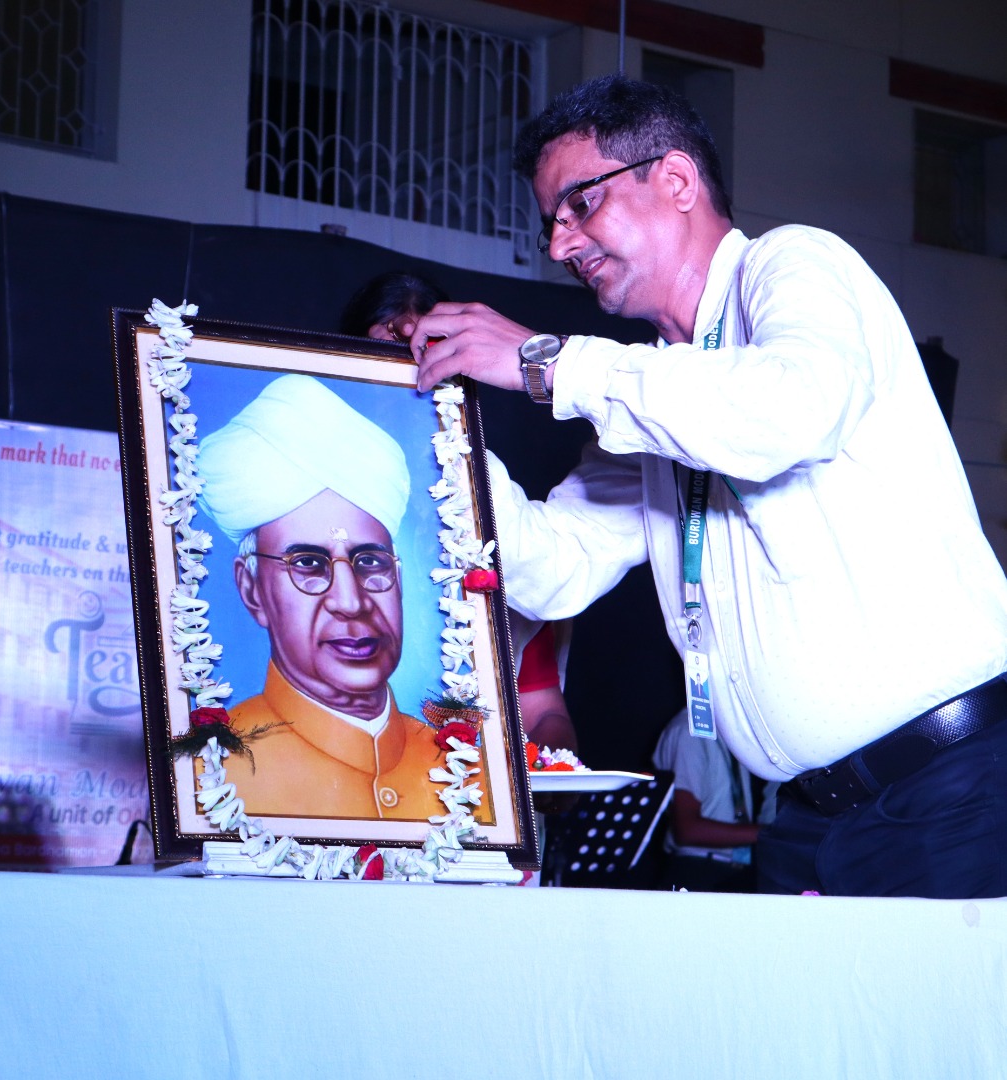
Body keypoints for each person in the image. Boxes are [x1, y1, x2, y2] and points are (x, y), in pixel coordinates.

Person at [406, 74, 1007, 899]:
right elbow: (550, 569)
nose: (558, 246)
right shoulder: (654, 397)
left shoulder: (793, 263)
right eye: (550, 222)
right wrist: (433, 423)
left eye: (580, 204)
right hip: (809, 820)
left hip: (951, 791)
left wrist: (548, 362)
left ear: (677, 180)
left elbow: (792, 410)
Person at [195, 373, 486, 822]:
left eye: (370, 562)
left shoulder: (465, 771)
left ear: (399, 578)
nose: (351, 602)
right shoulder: (213, 776)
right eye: (308, 564)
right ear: (252, 590)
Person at [341, 271, 581, 760]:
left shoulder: (493, 502)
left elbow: (541, 709)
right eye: (379, 356)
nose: (403, 378)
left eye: (423, 356)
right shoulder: (303, 491)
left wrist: (551, 765)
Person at [652, 707, 774, 893]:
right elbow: (687, 830)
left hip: (735, 871)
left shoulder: (729, 732)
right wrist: (773, 833)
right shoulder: (687, 730)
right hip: (697, 870)